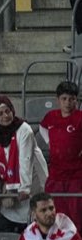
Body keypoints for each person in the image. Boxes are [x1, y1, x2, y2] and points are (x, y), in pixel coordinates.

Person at [0, 96, 48, 233]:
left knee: (33, 221)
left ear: (13, 110)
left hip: (32, 178)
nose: (5, 116)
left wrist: (24, 188)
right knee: (11, 218)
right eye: (0, 114)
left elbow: (25, 160)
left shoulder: (24, 129)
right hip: (9, 179)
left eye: (8, 111)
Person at [40, 80, 82, 230]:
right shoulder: (50, 117)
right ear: (58, 100)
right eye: (64, 99)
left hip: (76, 176)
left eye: (71, 99)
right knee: (55, 217)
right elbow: (42, 128)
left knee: (76, 218)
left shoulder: (80, 118)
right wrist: (50, 143)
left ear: (76, 100)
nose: (68, 102)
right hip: (56, 176)